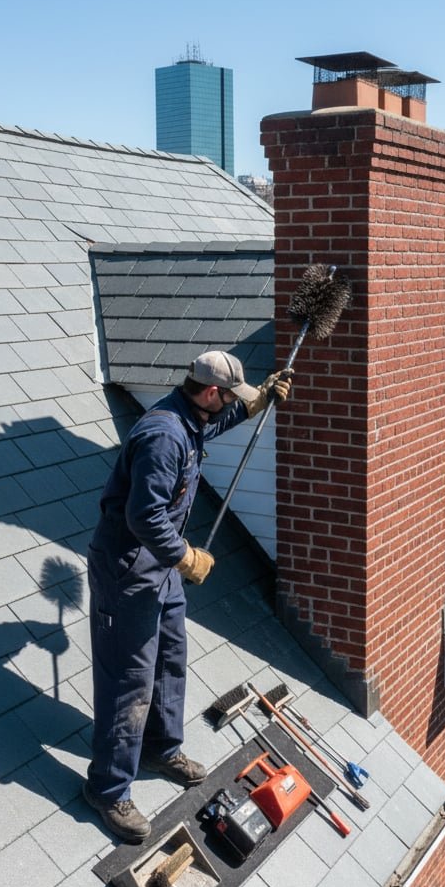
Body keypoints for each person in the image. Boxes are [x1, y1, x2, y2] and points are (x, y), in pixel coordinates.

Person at [82, 350, 291, 842]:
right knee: (128, 680)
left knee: (170, 659)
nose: (232, 404)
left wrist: (255, 404)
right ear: (211, 393)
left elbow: (209, 430)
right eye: (232, 398)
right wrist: (186, 556)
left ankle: (159, 747)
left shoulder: (190, 416)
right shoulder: (162, 436)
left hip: (161, 571)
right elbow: (144, 517)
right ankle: (108, 790)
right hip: (128, 572)